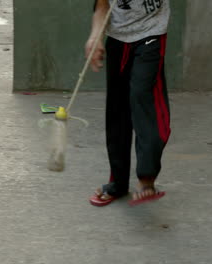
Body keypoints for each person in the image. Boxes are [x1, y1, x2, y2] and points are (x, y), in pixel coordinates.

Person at [86, 0, 171, 206]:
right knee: (117, 109)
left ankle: (146, 178)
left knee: (143, 99)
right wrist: (95, 36)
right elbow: (102, 5)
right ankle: (117, 182)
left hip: (151, 33)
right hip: (117, 38)